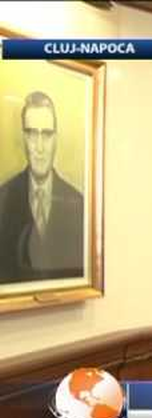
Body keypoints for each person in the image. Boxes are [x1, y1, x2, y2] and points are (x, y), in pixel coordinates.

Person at [0, 91, 84, 284]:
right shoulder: (3, 199)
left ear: (56, 139)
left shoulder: (79, 205)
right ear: (24, 138)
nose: (39, 147)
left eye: (46, 134)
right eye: (32, 134)